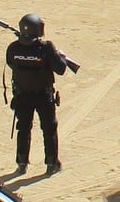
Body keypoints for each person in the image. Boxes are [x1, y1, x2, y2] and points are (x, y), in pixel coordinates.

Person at [6, 13, 77, 173]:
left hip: (22, 96)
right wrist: (61, 57)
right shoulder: (46, 48)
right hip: (43, 96)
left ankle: (21, 163)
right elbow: (60, 69)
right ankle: (52, 164)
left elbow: (11, 64)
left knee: (23, 129)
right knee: (49, 129)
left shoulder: (13, 48)